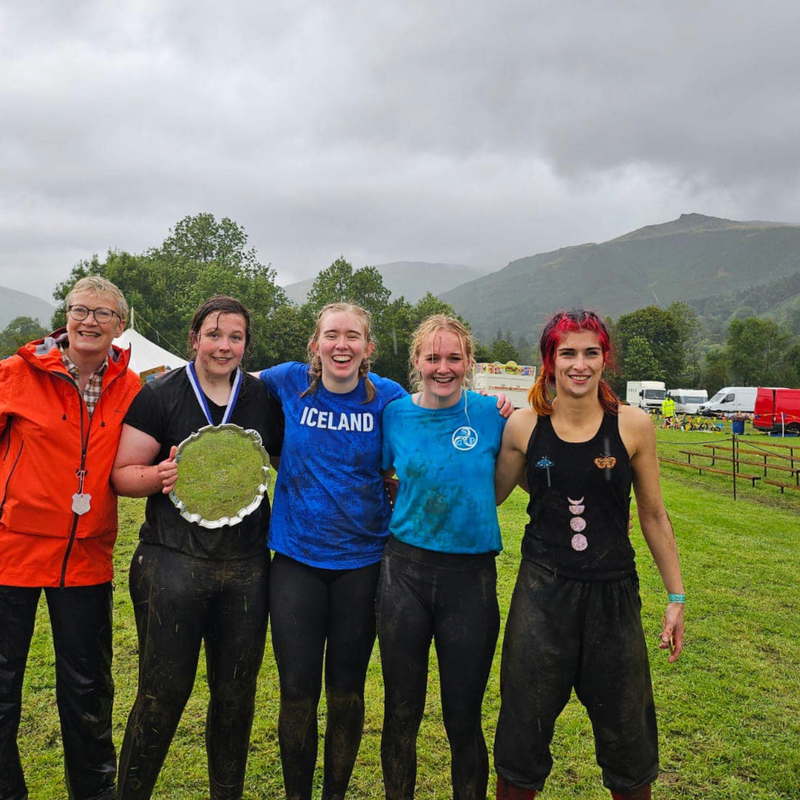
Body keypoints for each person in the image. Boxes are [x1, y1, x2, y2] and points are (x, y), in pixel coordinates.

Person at [493, 309, 685, 800]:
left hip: (613, 597)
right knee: (521, 736)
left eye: (591, 353)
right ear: (549, 361)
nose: (580, 364)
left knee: (629, 745)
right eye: (568, 353)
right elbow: (487, 496)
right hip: (541, 594)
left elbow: (653, 516)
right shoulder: (522, 427)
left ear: (605, 360)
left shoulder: (634, 426)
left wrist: (676, 596)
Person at [112, 296, 284, 800]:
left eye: (235, 337)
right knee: (162, 695)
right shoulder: (160, 393)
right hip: (172, 564)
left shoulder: (261, 398)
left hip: (247, 568)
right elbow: (123, 475)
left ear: (246, 345)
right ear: (194, 339)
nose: (224, 345)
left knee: (235, 699)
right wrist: (157, 476)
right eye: (214, 334)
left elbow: (287, 459)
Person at [257, 303, 407, 800]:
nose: (341, 344)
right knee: (297, 693)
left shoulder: (388, 397)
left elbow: (435, 420)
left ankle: (334, 794)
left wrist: (494, 409)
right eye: (331, 335)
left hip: (362, 565)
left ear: (367, 347)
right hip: (296, 562)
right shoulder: (286, 381)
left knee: (346, 693)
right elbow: (224, 384)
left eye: (353, 336)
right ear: (315, 343)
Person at [0, 276, 141, 800]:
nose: (89, 322)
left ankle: (94, 790)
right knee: (2, 690)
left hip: (85, 558)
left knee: (88, 690)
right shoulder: (16, 374)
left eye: (103, 314)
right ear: (66, 316)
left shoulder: (132, 388)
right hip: (10, 553)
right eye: (81, 310)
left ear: (120, 326)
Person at [377, 315, 506, 800]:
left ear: (469, 362)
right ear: (416, 362)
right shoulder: (394, 415)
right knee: (402, 709)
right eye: (433, 358)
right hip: (404, 574)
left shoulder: (493, 413)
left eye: (454, 358)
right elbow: (383, 473)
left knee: (463, 714)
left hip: (470, 579)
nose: (443, 368)